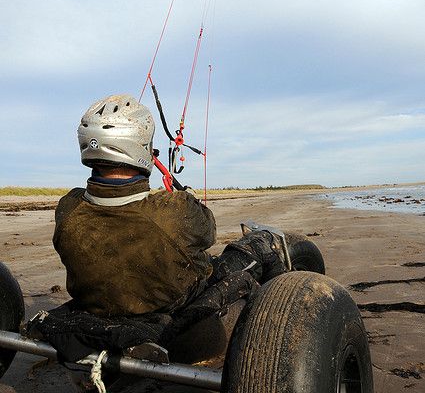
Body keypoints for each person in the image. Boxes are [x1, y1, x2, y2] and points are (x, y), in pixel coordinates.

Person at [53, 94, 288, 322]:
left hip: (97, 303)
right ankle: (281, 315)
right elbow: (207, 232)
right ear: (140, 147)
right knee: (264, 243)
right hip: (175, 307)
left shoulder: (69, 206)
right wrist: (187, 197)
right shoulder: (174, 209)